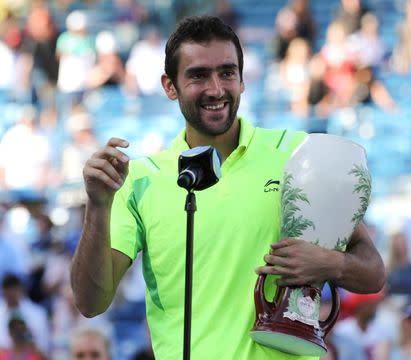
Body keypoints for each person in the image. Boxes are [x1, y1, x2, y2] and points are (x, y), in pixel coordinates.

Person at [70, 15, 385, 360]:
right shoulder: (141, 178)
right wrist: (97, 206)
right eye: (198, 75)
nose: (216, 89)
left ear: (242, 79)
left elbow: (372, 272)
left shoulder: (296, 154)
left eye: (227, 72)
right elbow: (90, 302)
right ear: (169, 85)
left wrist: (329, 263)